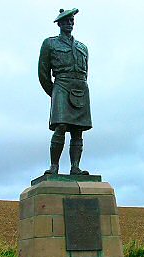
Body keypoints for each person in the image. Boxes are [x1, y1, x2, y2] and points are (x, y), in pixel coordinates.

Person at [38, 8, 92, 175]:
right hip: (61, 85)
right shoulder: (50, 43)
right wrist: (54, 92)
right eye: (66, 21)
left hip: (80, 87)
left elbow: (86, 72)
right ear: (59, 23)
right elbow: (43, 72)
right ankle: (54, 166)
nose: (69, 23)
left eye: (71, 21)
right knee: (60, 126)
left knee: (78, 129)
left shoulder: (82, 47)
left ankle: (75, 167)